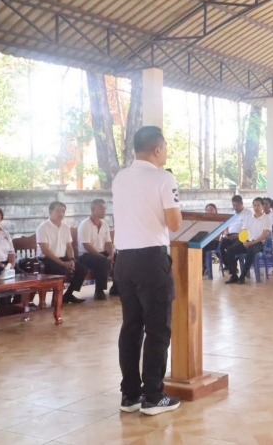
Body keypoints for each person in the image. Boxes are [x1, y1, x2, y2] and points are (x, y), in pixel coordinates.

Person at [111, 126, 182, 415]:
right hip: (152, 260)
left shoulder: (120, 177)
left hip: (124, 260)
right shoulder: (163, 178)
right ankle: (153, 395)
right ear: (157, 148)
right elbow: (175, 223)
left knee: (131, 326)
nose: (165, 152)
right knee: (157, 328)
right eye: (165, 147)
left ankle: (129, 395)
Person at [37, 201, 88, 304]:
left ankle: (68, 295)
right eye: (58, 211)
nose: (61, 214)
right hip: (47, 259)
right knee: (62, 270)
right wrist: (63, 264)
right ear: (50, 212)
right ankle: (55, 299)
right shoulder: (43, 227)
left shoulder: (65, 227)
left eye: (63, 211)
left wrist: (72, 260)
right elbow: (45, 250)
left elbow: (69, 246)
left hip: (63, 258)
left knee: (81, 269)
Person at [223, 198, 272, 284]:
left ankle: (243, 275)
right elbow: (243, 232)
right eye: (254, 205)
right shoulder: (249, 218)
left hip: (258, 243)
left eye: (258, 205)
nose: (256, 207)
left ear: (262, 206)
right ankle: (233, 275)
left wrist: (252, 242)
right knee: (230, 250)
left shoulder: (267, 218)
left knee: (251, 251)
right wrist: (244, 241)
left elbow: (265, 234)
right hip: (247, 241)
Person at [77, 199, 113, 301]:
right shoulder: (85, 224)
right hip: (85, 255)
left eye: (105, 208)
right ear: (93, 209)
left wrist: (111, 255)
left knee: (121, 258)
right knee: (102, 261)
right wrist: (103, 257)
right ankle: (99, 291)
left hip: (100, 253)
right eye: (101, 208)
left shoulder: (104, 224)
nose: (104, 211)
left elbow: (108, 242)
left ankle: (116, 288)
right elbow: (86, 245)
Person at [219, 195, 252, 274]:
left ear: (242, 204)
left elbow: (249, 228)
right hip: (230, 236)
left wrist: (237, 235)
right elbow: (225, 226)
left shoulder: (248, 213)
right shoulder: (231, 214)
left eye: (237, 205)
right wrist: (226, 234)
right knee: (220, 246)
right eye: (234, 205)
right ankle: (230, 266)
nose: (235, 207)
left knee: (231, 249)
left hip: (242, 237)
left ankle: (233, 272)